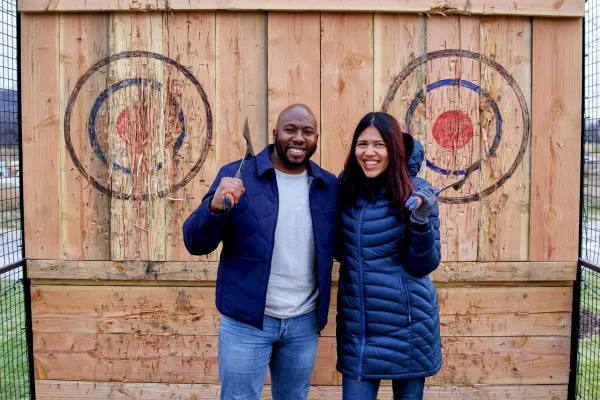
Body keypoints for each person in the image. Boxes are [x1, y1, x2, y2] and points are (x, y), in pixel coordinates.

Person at [182, 104, 339, 400]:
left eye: (308, 132)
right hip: (247, 321)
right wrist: (213, 208)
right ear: (275, 133)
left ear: (317, 138)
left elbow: (342, 244)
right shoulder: (237, 176)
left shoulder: (327, 186)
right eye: (290, 129)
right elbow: (195, 242)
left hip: (303, 323)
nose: (299, 138)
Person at [334, 111, 442, 399]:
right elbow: (336, 249)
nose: (370, 152)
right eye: (362, 144)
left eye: (379, 144)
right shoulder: (346, 189)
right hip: (360, 330)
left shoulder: (417, 192)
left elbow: (424, 265)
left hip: (408, 328)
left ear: (393, 148)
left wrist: (421, 223)